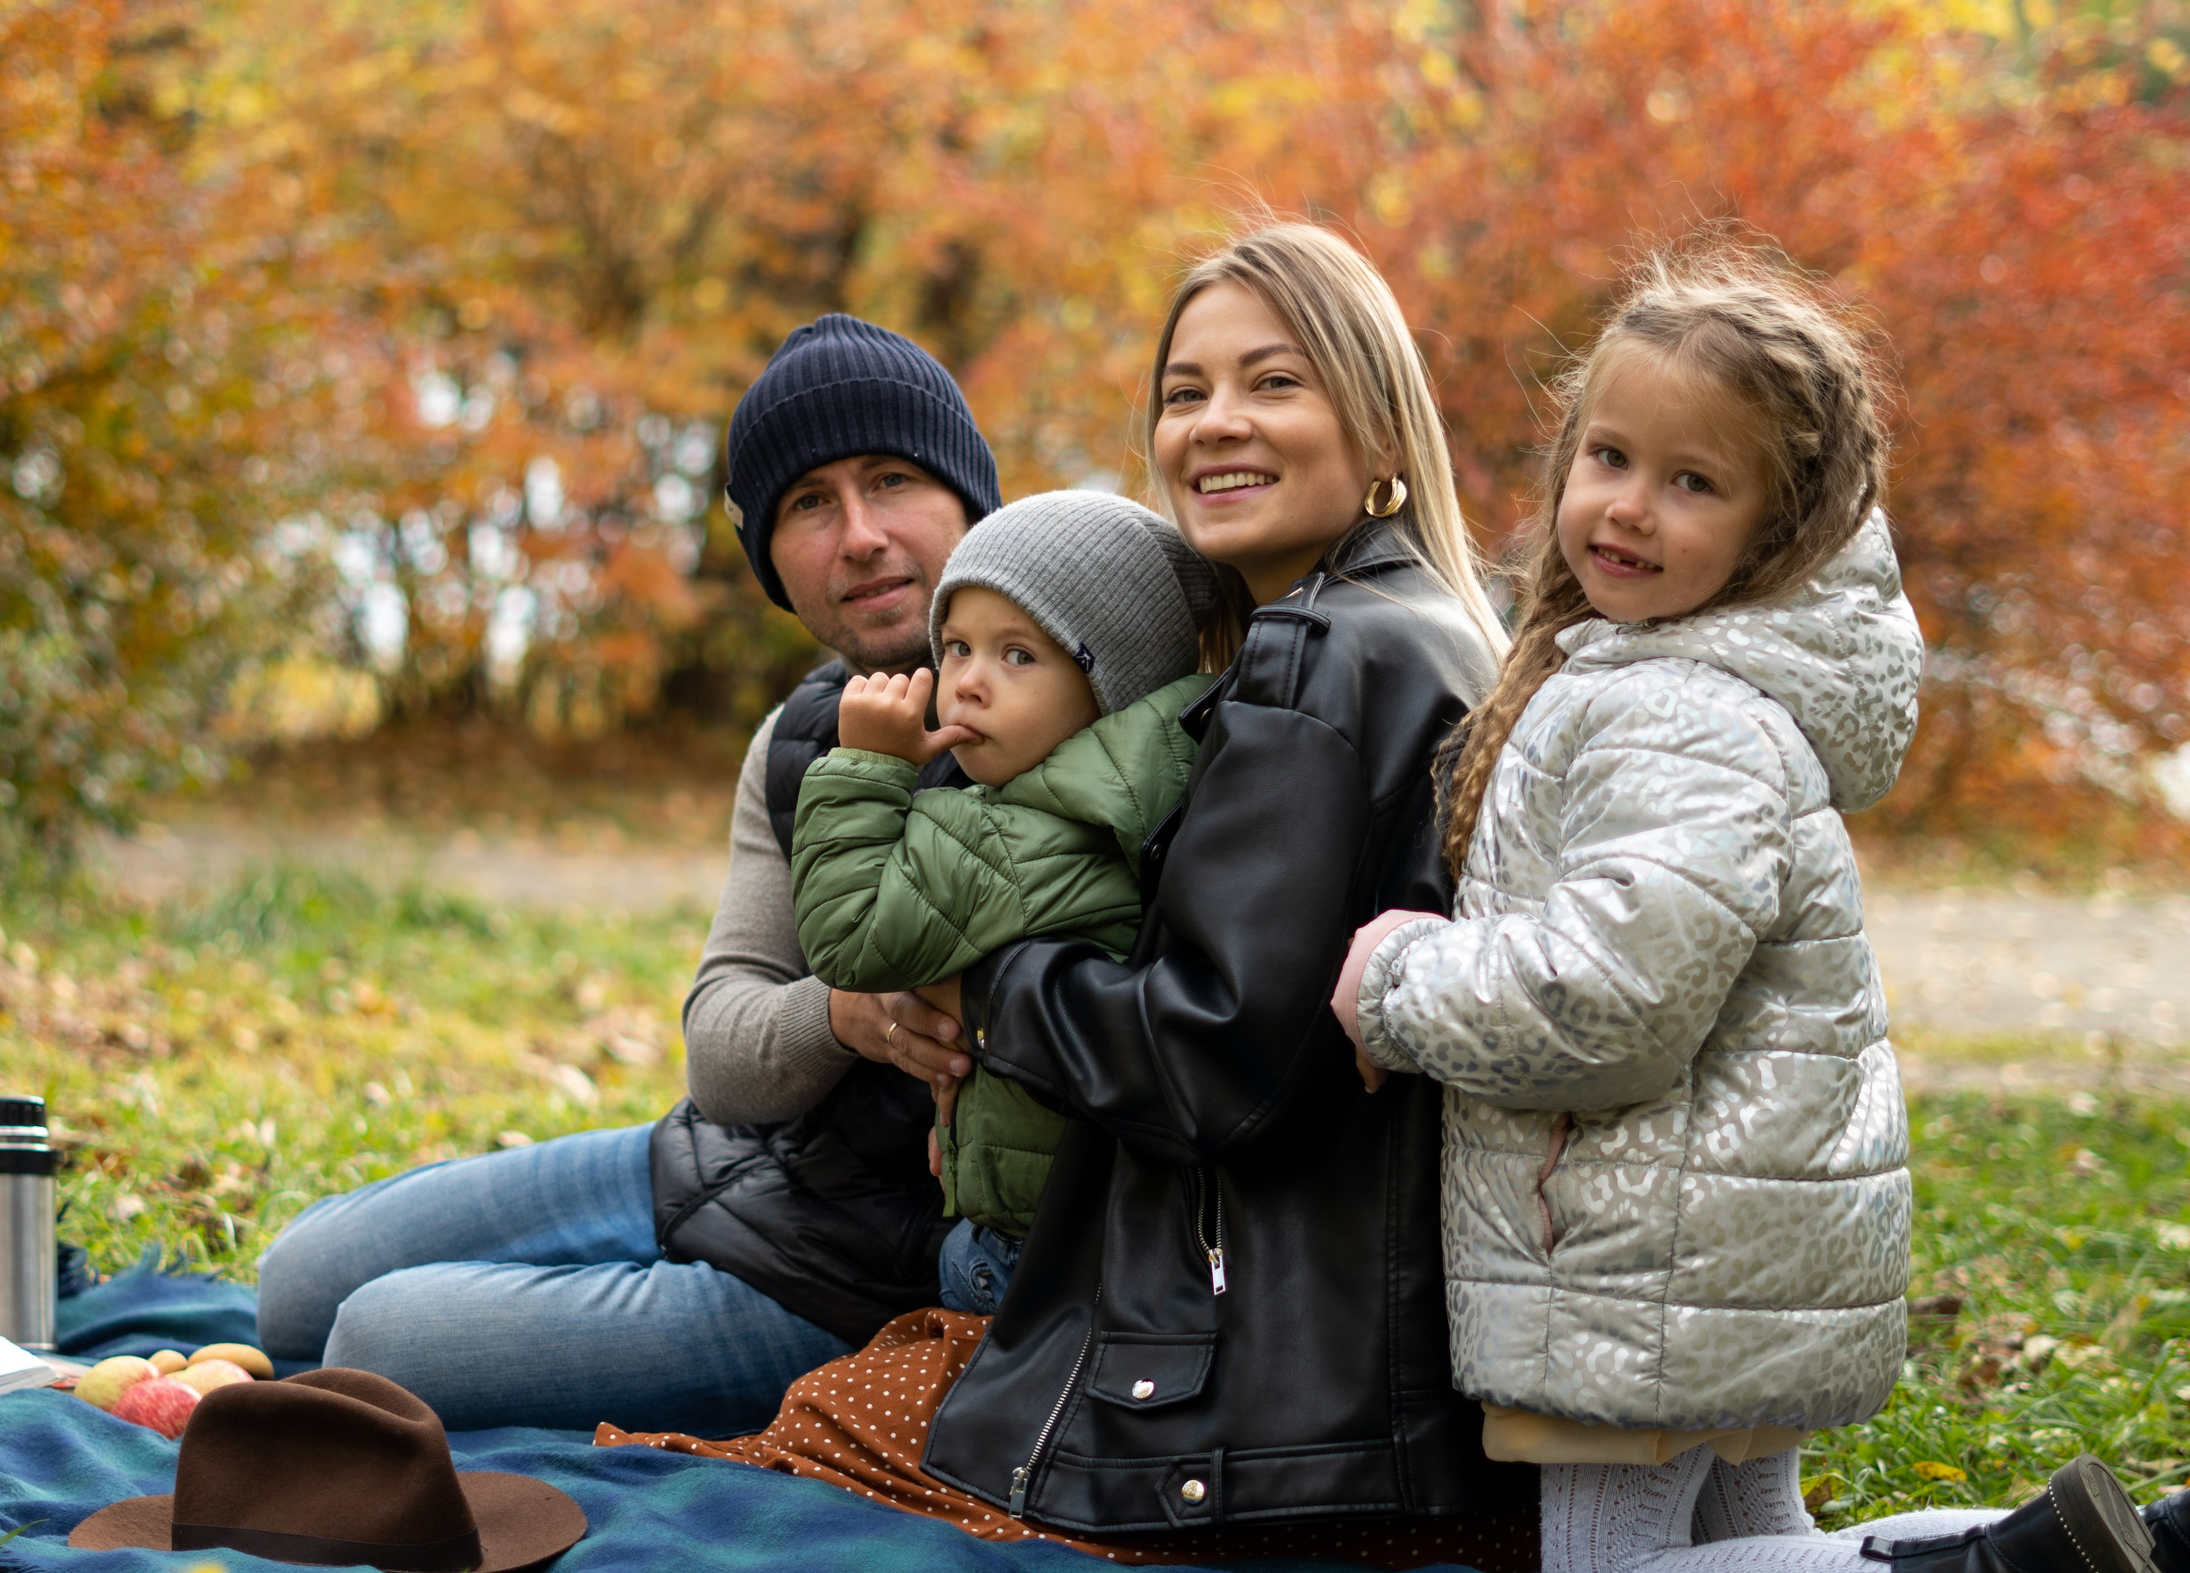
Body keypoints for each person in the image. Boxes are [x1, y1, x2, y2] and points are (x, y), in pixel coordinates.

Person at [1330, 239, 2154, 1573]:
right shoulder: (1697, 684)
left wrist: (1401, 977)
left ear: (1778, 532)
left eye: (1693, 480)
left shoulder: (1673, 710)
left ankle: (2005, 1570)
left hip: (1638, 1243)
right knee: (1760, 1536)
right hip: (1721, 1239)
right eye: (1608, 457)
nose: (1630, 507)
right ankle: (2095, 1547)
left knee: (1617, 1569)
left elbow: (1608, 1001)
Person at [887, 219, 1524, 1537]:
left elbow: (1212, 1058)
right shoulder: (1440, 632)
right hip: (1378, 1366)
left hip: (1254, 1401)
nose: (1216, 423)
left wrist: (995, 979)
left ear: (1386, 432)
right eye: (1187, 393)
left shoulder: (1315, 659)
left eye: (1273, 382)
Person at [253, 313, 1000, 1434]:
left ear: (969, 500)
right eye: (808, 503)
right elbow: (723, 1048)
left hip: (840, 1279)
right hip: (716, 1159)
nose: (858, 536)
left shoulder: (1062, 717)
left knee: (375, 1343)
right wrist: (844, 1016)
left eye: (891, 479)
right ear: (768, 560)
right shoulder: (798, 740)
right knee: (293, 1288)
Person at [788, 490, 1217, 1261]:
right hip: (1089, 1229)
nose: (968, 682)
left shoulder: (1019, 832)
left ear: (1110, 687)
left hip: (1024, 1253)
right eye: (956, 647)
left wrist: (865, 765)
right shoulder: (1125, 795)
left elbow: (848, 938)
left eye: (1018, 654)